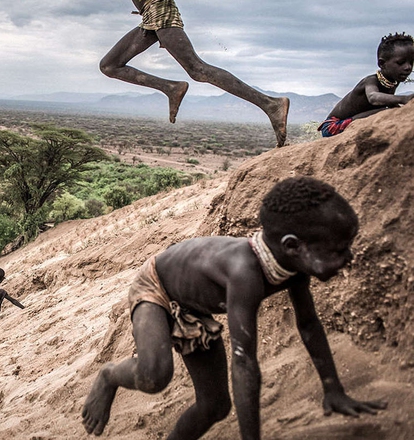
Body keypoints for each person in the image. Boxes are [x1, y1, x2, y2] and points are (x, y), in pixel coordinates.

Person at [81, 176, 386, 439]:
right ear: (292, 246)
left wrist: (333, 390)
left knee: (215, 406)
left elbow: (308, 325)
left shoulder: (293, 269)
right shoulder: (245, 274)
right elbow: (244, 363)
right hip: (155, 286)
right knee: (154, 375)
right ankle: (109, 376)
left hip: (194, 303)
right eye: (338, 250)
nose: (349, 258)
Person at [76, 0, 290, 147]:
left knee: (197, 69)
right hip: (152, 12)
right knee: (109, 65)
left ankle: (271, 104)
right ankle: (171, 88)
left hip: (158, 7)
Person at [318, 32, 414, 137]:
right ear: (382, 64)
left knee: (392, 111)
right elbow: (373, 97)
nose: (408, 67)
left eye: (411, 62)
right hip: (333, 126)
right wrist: (404, 99)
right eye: (401, 63)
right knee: (386, 111)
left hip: (358, 119)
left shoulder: (393, 81)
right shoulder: (371, 81)